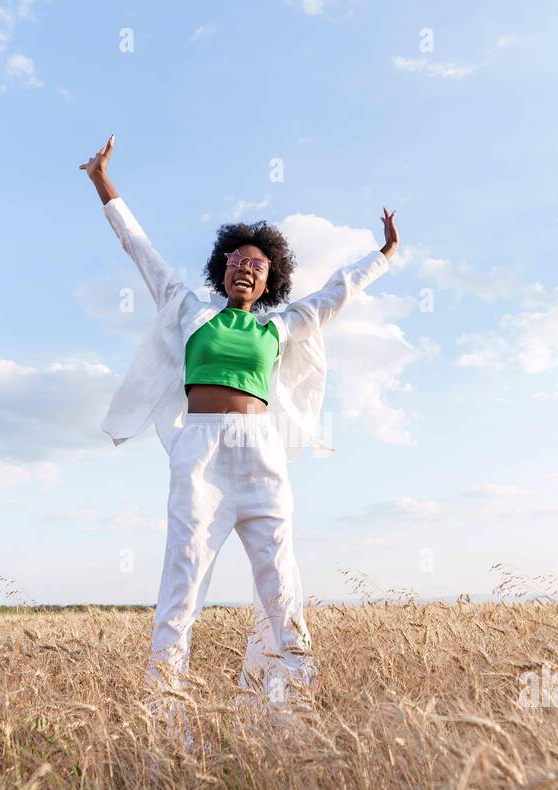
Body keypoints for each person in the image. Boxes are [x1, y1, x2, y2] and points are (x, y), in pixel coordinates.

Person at [80, 133, 399, 718]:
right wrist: (103, 182)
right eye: (238, 261)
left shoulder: (279, 327)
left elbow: (336, 293)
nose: (247, 269)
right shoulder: (186, 306)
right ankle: (164, 720)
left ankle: (289, 713)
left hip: (261, 456)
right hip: (199, 453)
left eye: (258, 264)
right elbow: (141, 248)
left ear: (270, 278)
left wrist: (383, 255)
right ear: (222, 267)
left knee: (281, 587)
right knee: (181, 582)